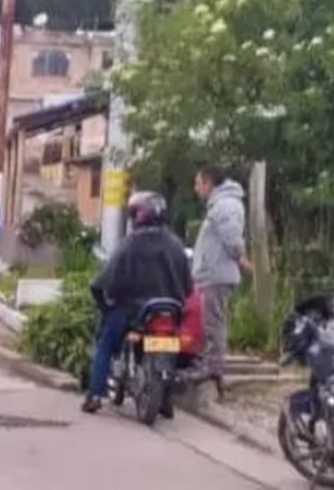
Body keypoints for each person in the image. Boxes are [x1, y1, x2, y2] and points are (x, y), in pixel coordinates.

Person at [81, 190, 193, 413]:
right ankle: (166, 398)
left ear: (137, 215)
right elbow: (188, 285)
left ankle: (94, 394)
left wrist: (105, 305)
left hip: (131, 311)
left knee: (105, 343)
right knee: (170, 346)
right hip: (168, 311)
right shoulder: (175, 244)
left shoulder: (130, 244)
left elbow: (103, 282)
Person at [192, 165, 251, 383]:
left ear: (208, 183)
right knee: (211, 320)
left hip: (217, 273)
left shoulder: (226, 205)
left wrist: (239, 256)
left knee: (213, 322)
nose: (196, 189)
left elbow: (232, 237)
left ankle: (213, 367)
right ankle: (210, 362)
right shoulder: (221, 204)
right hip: (213, 272)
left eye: (198, 184)